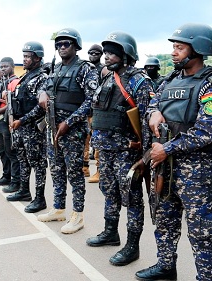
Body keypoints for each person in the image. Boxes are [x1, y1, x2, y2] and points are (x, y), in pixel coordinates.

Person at [135, 23, 212, 281]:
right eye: (173, 47)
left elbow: (208, 131)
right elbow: (152, 104)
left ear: (199, 49)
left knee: (203, 233)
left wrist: (166, 149)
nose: (173, 53)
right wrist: (154, 112)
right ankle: (166, 266)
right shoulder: (170, 80)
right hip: (165, 170)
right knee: (165, 221)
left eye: (179, 48)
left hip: (196, 175)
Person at [86, 31, 153, 266]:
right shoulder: (106, 78)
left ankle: (132, 246)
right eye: (105, 52)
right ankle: (110, 232)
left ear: (127, 55)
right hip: (105, 150)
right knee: (109, 192)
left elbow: (147, 120)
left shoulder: (140, 81)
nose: (106, 57)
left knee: (132, 198)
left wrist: (144, 157)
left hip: (127, 152)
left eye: (113, 53)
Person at [36, 28, 99, 234]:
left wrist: (69, 122)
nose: (62, 48)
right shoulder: (56, 69)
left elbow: (92, 101)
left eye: (66, 44)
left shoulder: (85, 69)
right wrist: (42, 93)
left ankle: (78, 215)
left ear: (76, 46)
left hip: (72, 131)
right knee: (56, 170)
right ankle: (59, 208)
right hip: (53, 127)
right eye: (59, 45)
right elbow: (43, 85)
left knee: (74, 173)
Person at [6, 41, 48, 213]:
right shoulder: (25, 77)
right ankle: (24, 191)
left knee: (38, 163)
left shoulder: (42, 78)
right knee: (23, 159)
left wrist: (22, 120)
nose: (24, 60)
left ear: (37, 58)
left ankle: (40, 198)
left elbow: (40, 106)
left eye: (27, 56)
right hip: (20, 126)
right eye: (23, 56)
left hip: (33, 128)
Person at [0, 57, 21, 193]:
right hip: (0, 121)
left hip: (8, 120)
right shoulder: (2, 82)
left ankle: (15, 181)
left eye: (6, 66)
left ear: (13, 66)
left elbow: (12, 103)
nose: (3, 69)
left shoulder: (15, 82)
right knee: (2, 150)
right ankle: (6, 176)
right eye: (1, 67)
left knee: (11, 152)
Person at [85, 44, 105, 182]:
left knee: (97, 142)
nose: (93, 55)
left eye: (96, 53)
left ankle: (99, 171)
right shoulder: (85, 68)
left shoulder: (104, 70)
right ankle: (85, 167)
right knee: (84, 140)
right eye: (90, 53)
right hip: (86, 110)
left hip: (97, 111)